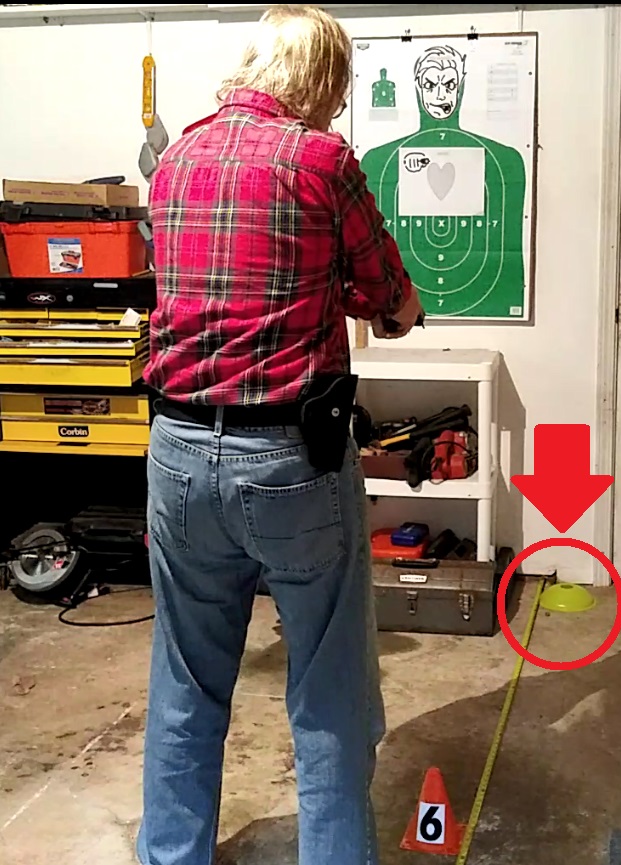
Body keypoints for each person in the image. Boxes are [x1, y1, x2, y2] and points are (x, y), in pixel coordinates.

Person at [136, 6, 424, 865]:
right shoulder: (321, 160)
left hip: (177, 450)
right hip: (290, 459)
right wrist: (394, 308)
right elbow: (386, 292)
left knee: (185, 684)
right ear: (321, 81)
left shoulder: (177, 159)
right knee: (330, 691)